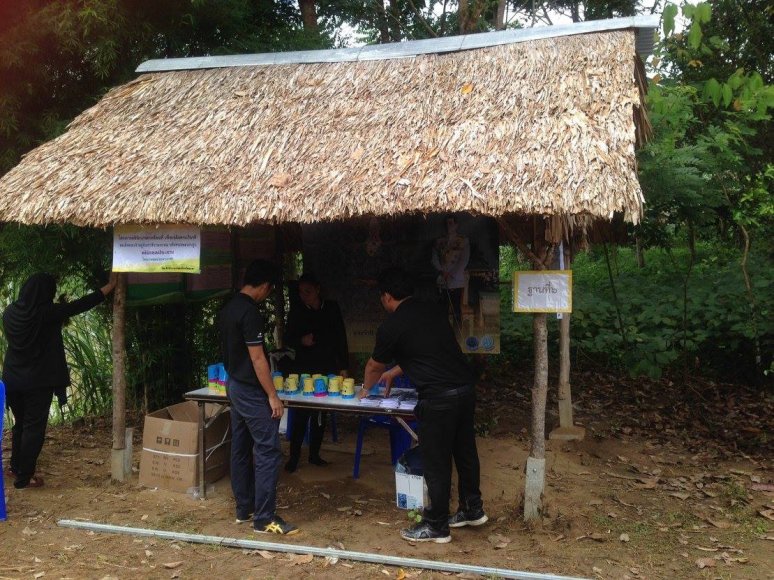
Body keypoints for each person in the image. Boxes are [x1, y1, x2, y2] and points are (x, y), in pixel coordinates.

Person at [360, 267, 487, 543]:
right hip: (465, 390)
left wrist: (365, 390)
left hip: (438, 398)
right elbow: (426, 352)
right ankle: (472, 508)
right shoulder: (432, 310)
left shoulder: (391, 325)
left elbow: (373, 366)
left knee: (436, 461)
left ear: (387, 296)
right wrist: (394, 372)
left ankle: (436, 525)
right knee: (465, 451)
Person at [2, 272, 116, 489]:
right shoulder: (47, 314)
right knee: (33, 428)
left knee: (21, 424)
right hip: (38, 382)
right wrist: (109, 287)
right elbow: (79, 305)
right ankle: (24, 477)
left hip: (12, 380)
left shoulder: (10, 312)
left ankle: (15, 467)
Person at [218, 259, 298, 535]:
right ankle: (264, 518)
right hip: (250, 390)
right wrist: (273, 395)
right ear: (264, 286)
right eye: (270, 289)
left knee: (240, 447)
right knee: (268, 450)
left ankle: (245, 509)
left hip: (234, 384)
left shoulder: (228, 308)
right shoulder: (250, 313)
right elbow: (258, 358)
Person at [284, 272, 348, 473]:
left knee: (320, 414)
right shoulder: (297, 311)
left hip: (326, 367)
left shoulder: (331, 308)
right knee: (301, 414)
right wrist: (301, 340)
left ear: (318, 289)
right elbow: (288, 339)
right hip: (304, 368)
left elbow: (340, 338)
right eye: (301, 292)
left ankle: (314, 455)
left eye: (308, 291)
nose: (304, 296)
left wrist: (343, 366)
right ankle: (294, 457)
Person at [431, 214, 470, 331]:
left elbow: (464, 260)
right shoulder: (439, 241)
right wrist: (442, 271)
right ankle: (444, 332)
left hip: (456, 280)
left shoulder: (463, 241)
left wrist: (451, 273)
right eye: (447, 223)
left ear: (456, 225)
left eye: (451, 223)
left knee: (456, 308)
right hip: (442, 278)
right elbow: (434, 257)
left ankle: (457, 333)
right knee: (442, 308)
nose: (449, 226)